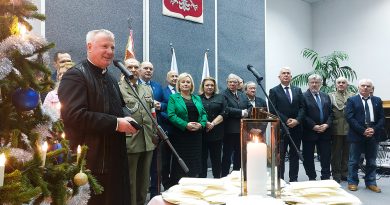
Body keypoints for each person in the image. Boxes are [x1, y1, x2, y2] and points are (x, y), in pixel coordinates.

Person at [58, 29, 137, 205]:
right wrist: (116, 124)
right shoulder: (75, 75)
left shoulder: (110, 78)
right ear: (89, 46)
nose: (110, 51)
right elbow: (74, 115)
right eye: (104, 46)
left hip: (115, 160)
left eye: (112, 47)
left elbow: (119, 108)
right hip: (90, 163)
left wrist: (129, 120)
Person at [118, 58, 157, 205]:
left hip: (148, 140)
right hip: (130, 140)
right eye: (130, 67)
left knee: (144, 180)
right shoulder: (118, 88)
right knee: (131, 181)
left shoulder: (146, 89)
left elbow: (153, 113)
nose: (133, 70)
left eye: (136, 67)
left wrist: (155, 133)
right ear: (123, 69)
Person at [167, 72, 207, 184]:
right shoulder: (173, 98)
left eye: (188, 82)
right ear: (179, 85)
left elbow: (204, 114)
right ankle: (178, 186)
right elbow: (171, 115)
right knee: (180, 164)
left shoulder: (197, 98)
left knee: (195, 162)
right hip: (181, 136)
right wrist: (185, 125)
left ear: (191, 85)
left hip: (196, 136)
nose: (185, 84)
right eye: (183, 82)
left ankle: (193, 185)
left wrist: (201, 124)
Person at [345, 79, 384, 193]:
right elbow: (350, 118)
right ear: (359, 87)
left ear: (372, 88)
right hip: (357, 133)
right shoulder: (352, 100)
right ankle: (352, 182)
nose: (366, 87)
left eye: (368, 86)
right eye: (363, 85)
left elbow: (382, 118)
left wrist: (374, 129)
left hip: (373, 133)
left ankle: (371, 182)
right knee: (354, 160)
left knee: (371, 161)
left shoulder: (377, 100)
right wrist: (363, 130)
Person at [268, 67, 305, 182]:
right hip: (281, 129)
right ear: (279, 77)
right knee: (281, 155)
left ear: (291, 76)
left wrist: (297, 120)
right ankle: (280, 179)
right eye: (283, 73)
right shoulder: (273, 91)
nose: (286, 75)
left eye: (288, 73)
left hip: (296, 128)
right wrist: (287, 120)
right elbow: (273, 110)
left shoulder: (297, 90)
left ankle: (294, 179)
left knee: (295, 154)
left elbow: (302, 108)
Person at [138, 61, 166, 198]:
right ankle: (140, 194)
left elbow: (167, 104)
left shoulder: (158, 87)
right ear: (139, 70)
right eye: (145, 68)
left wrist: (161, 105)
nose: (148, 71)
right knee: (141, 165)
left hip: (155, 131)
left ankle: (155, 193)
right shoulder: (134, 85)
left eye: (151, 68)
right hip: (138, 131)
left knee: (155, 165)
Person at [302, 74, 334, 180]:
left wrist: (327, 124)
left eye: (317, 82)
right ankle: (312, 177)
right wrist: (313, 126)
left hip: (325, 131)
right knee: (308, 157)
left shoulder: (326, 96)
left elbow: (331, 113)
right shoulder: (303, 96)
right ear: (308, 83)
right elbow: (303, 114)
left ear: (320, 84)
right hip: (309, 131)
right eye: (312, 82)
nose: (314, 84)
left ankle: (325, 177)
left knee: (326, 156)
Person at [221, 74, 252, 177]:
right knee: (227, 155)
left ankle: (236, 174)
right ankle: (224, 175)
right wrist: (241, 113)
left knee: (239, 154)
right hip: (229, 130)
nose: (233, 84)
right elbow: (226, 109)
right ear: (227, 83)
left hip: (242, 129)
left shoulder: (242, 94)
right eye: (230, 82)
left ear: (238, 84)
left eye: (235, 82)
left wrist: (247, 111)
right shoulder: (223, 94)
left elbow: (250, 106)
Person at [199, 77, 227, 178]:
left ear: (214, 86)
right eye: (207, 85)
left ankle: (217, 180)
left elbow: (224, 112)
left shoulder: (221, 97)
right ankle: (202, 181)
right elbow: (196, 113)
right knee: (202, 159)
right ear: (203, 86)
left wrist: (213, 124)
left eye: (212, 85)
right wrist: (205, 123)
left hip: (217, 134)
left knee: (216, 159)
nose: (210, 87)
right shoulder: (197, 98)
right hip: (202, 133)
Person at [329, 77, 355, 183]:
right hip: (336, 128)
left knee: (347, 153)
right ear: (335, 85)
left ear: (347, 85)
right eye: (338, 82)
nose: (341, 84)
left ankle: (345, 173)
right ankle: (336, 174)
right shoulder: (331, 96)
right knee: (336, 153)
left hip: (349, 128)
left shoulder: (352, 96)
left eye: (343, 83)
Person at [160, 70, 178, 189]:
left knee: (177, 159)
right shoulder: (162, 91)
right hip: (167, 129)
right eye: (172, 76)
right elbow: (160, 109)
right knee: (166, 160)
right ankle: (166, 184)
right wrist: (173, 119)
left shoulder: (181, 91)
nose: (175, 78)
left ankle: (176, 182)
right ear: (167, 79)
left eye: (177, 76)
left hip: (180, 131)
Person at [43, 53, 74, 119]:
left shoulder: (82, 87)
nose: (66, 63)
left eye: (68, 61)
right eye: (62, 61)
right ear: (55, 64)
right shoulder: (48, 82)